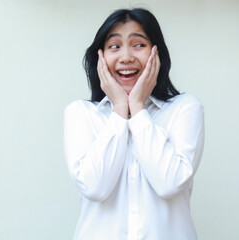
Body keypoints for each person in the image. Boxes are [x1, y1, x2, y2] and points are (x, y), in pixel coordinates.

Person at [64, 8, 205, 240]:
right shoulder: (81, 114)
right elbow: (95, 187)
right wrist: (120, 109)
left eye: (138, 44)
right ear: (100, 57)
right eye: (114, 46)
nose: (126, 57)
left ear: (156, 53)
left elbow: (169, 183)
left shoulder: (185, 109)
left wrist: (137, 107)